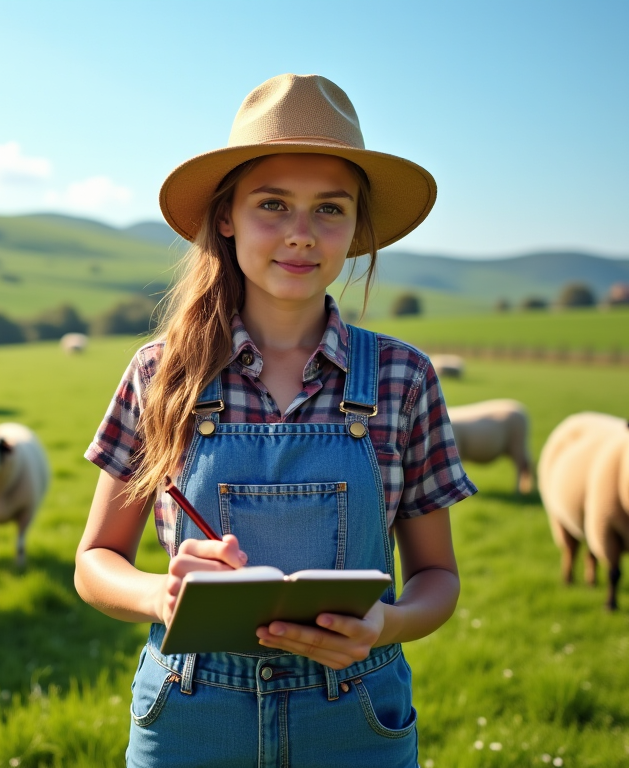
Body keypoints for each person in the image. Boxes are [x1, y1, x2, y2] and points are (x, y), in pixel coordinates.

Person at [75, 73, 477, 767]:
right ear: (226, 217)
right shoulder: (161, 374)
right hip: (190, 721)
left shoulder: (404, 378)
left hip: (354, 723)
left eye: (330, 209)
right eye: (272, 204)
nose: (301, 234)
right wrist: (163, 596)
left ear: (356, 228)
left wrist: (386, 625)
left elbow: (437, 575)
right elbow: (94, 562)